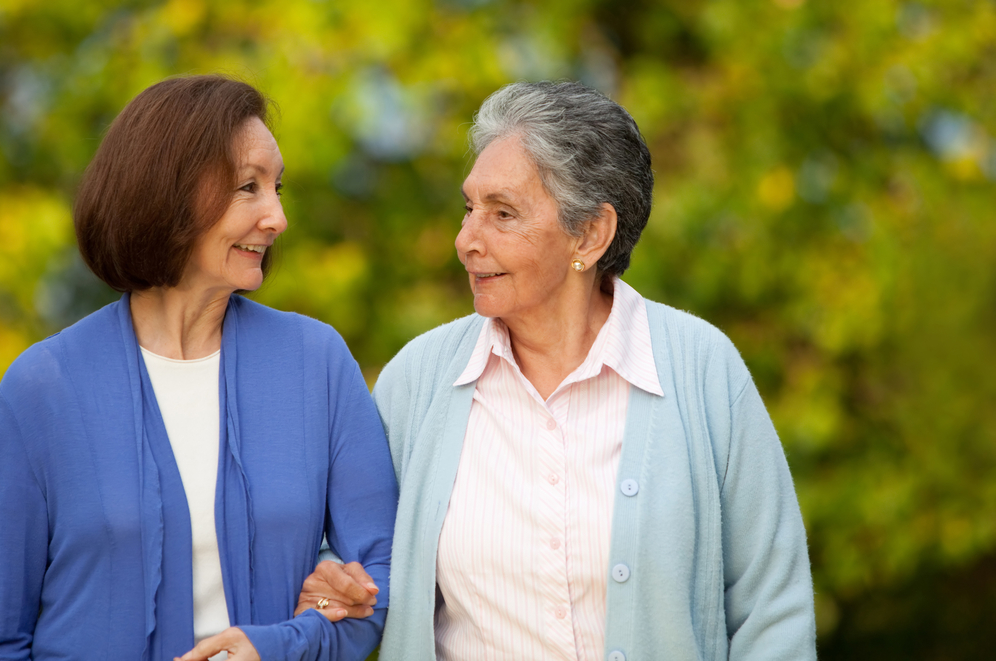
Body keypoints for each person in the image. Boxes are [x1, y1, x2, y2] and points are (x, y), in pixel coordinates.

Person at [299, 81, 817, 660]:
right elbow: (350, 554)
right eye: (469, 209)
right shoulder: (417, 381)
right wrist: (331, 584)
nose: (466, 240)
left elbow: (774, 612)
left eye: (503, 213)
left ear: (590, 234)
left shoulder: (702, 369)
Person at [0, 75, 397, 661]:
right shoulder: (41, 388)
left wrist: (287, 642)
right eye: (248, 187)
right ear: (165, 193)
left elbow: (381, 577)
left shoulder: (317, 363)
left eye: (277, 188)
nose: (277, 218)